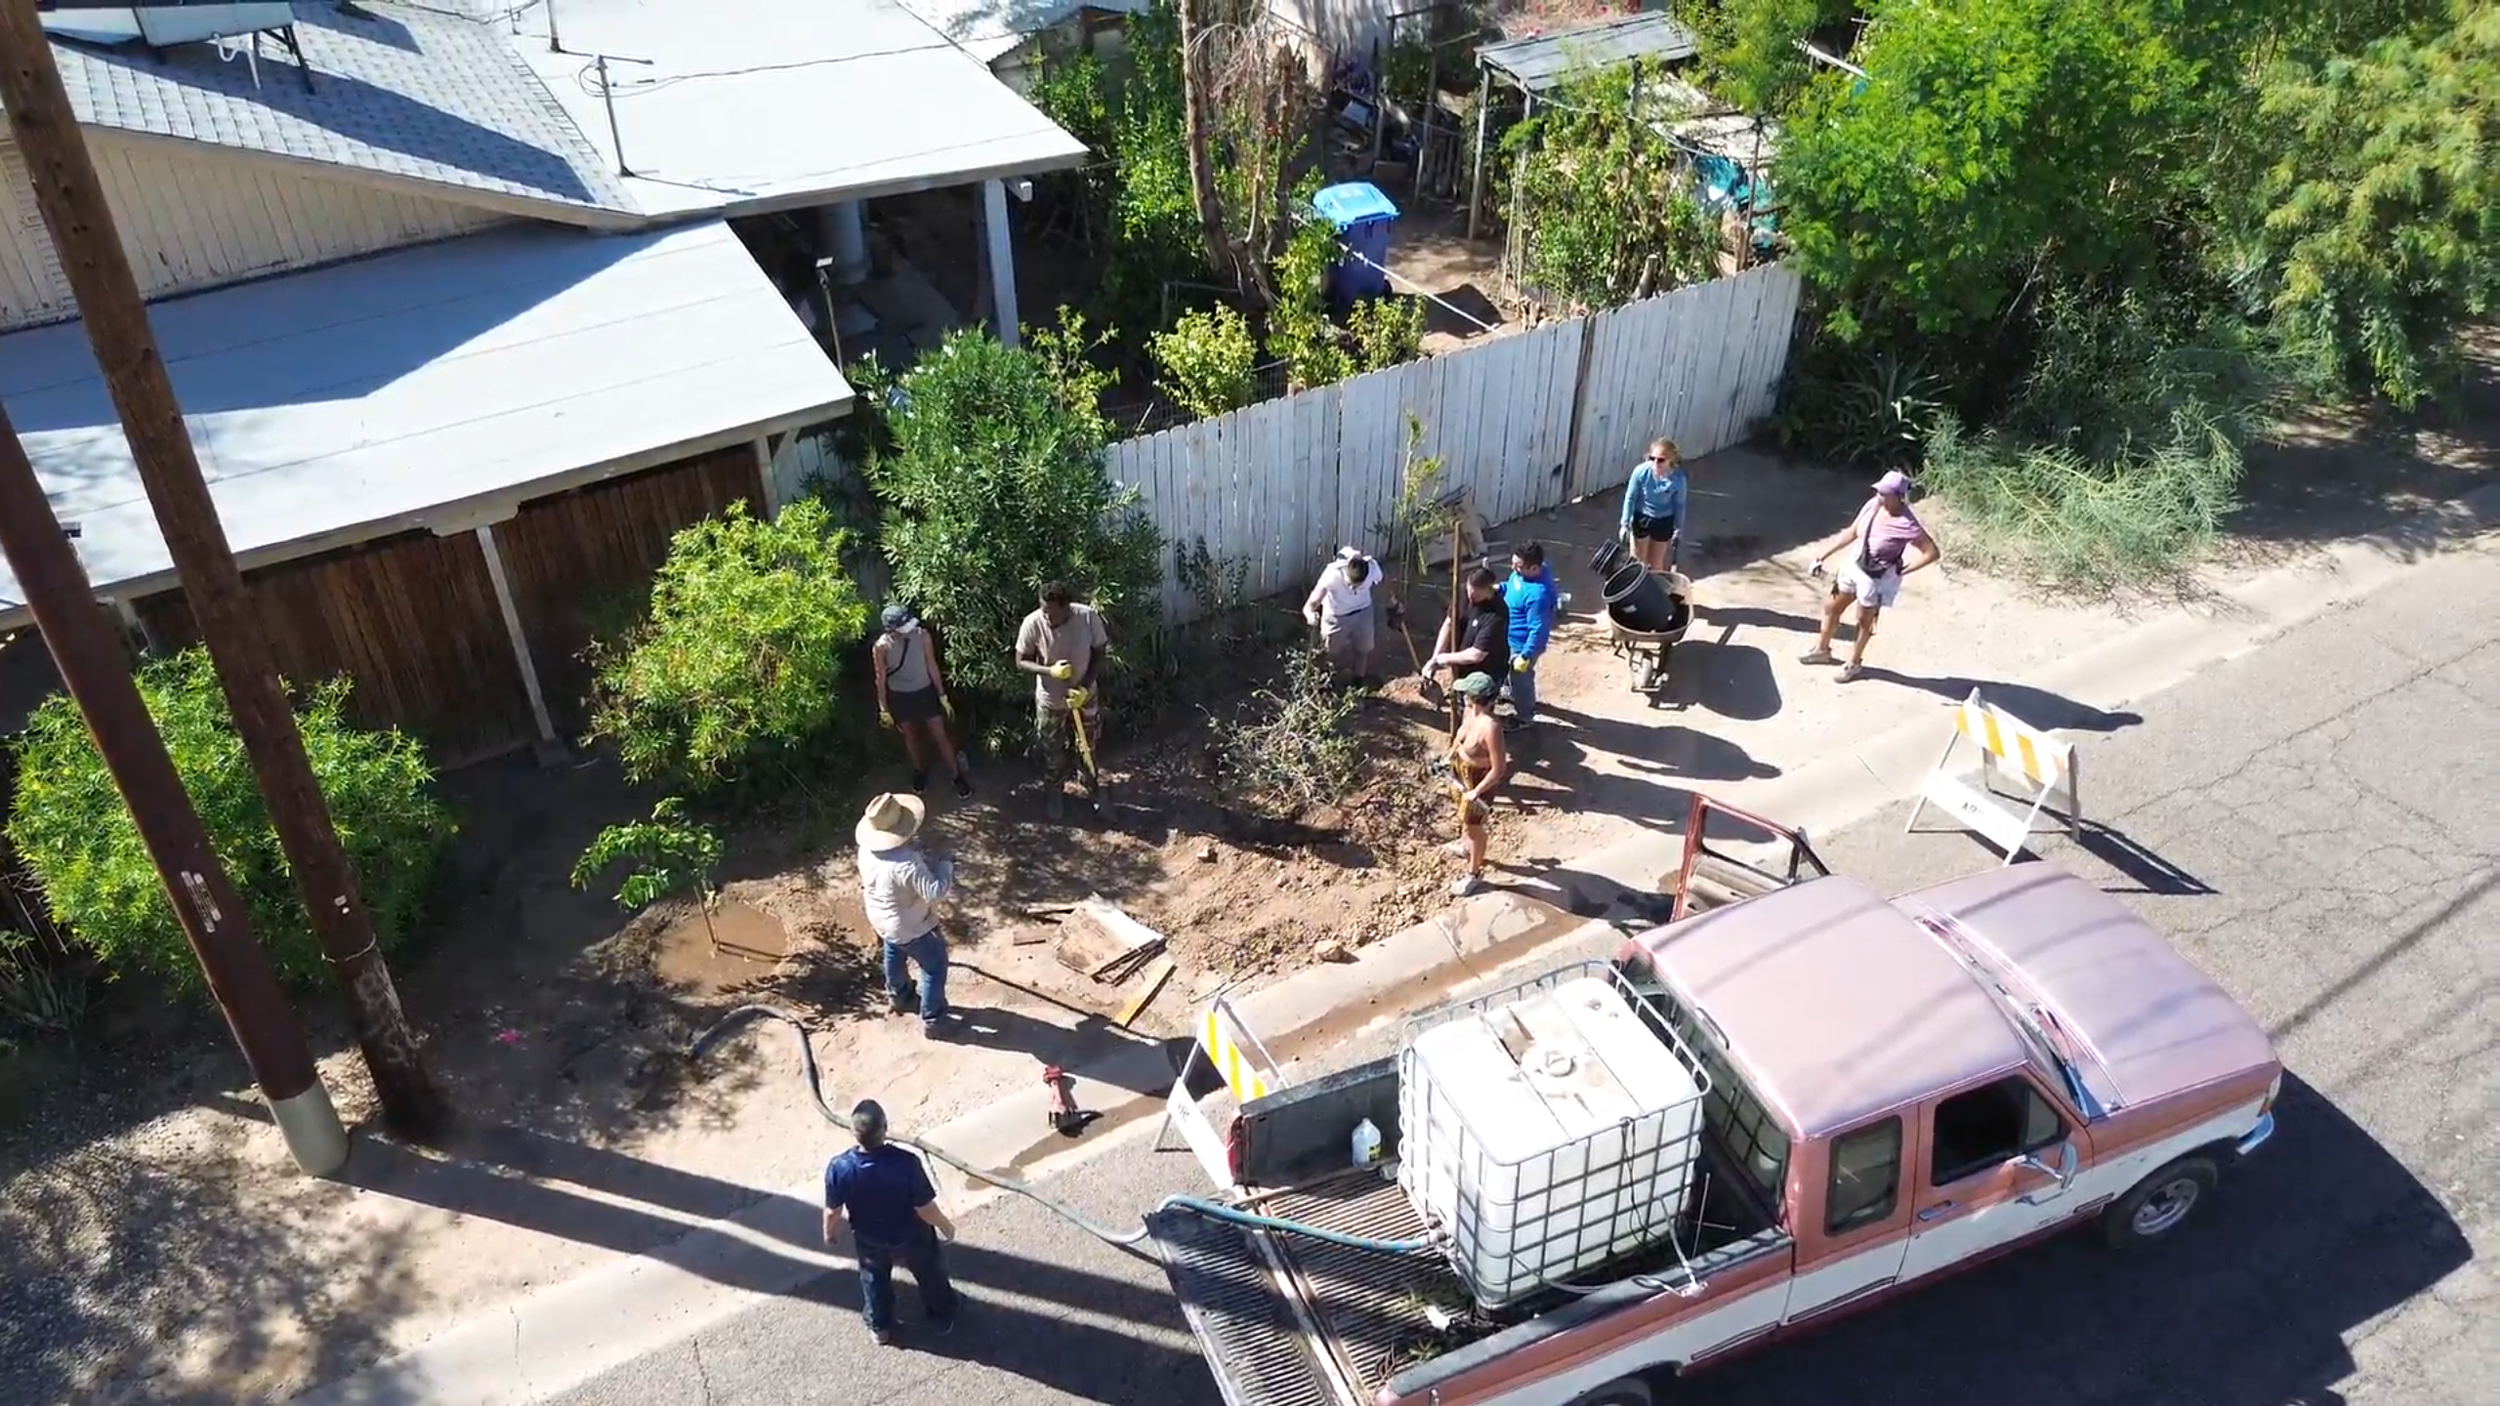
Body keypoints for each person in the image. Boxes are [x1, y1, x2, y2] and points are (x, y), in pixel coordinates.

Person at [822, 1098, 960, 1347]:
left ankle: (880, 1326)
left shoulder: (839, 1168)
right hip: (912, 1234)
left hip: (869, 1237)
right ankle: (941, 1313)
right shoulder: (906, 1163)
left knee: (874, 1280)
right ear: (884, 1128)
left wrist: (830, 1234)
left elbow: (833, 1211)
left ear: (854, 1133)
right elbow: (925, 1208)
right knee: (929, 1272)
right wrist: (945, 1227)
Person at [1800, 469, 1943, 682]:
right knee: (1832, 607)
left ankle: (1853, 664)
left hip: (1875, 580)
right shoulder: (1873, 506)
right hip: (1854, 565)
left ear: (1898, 497)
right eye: (1880, 491)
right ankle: (1822, 650)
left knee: (1863, 622)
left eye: (1885, 493)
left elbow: (1932, 552)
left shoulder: (1907, 524)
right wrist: (1824, 555)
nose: (1880, 495)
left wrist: (1903, 570)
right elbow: (1852, 531)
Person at [855, 792, 954, 1036]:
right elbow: (934, 892)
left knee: (893, 947)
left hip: (879, 917)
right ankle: (934, 1019)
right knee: (934, 965)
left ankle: (899, 995)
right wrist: (945, 865)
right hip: (909, 923)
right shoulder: (906, 863)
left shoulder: (865, 851)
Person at [1014, 581, 1110, 822]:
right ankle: (1055, 791)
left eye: (1051, 611)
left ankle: (1091, 786)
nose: (1046, 615)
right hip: (1050, 701)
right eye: (1043, 608)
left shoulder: (1087, 617)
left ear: (1067, 608)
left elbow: (1100, 652)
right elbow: (1021, 661)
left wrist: (1084, 688)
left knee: (1087, 746)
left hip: (1084, 698)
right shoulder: (1033, 623)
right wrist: (1049, 671)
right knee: (1052, 750)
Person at [872, 605, 972, 800]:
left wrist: (942, 695)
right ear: (890, 629)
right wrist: (883, 708)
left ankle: (956, 775)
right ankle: (919, 770)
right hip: (900, 696)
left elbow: (932, 665)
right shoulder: (881, 647)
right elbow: (880, 678)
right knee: (911, 736)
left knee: (940, 734)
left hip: (925, 691)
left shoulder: (922, 635)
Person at [1443, 673, 1509, 896]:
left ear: (1475, 697)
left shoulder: (1491, 728)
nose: (1462, 697)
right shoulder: (1469, 714)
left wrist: (1476, 792)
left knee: (1474, 827)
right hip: (1460, 773)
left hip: (1479, 782)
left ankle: (1474, 874)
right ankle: (1465, 847)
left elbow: (1499, 769)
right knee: (1463, 817)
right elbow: (1459, 738)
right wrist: (1448, 758)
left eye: (1466, 693)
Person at [1422, 566, 1510, 694]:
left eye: (1475, 595)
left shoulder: (1497, 615)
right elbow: (1449, 623)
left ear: (1488, 589)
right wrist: (1434, 659)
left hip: (1484, 673)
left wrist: (1445, 658)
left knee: (1475, 708)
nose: (1470, 598)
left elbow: (1477, 654)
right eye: (1469, 592)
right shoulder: (1463, 592)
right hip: (1461, 667)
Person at [1303, 547, 1386, 683]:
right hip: (1336, 616)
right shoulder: (1332, 575)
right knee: (1328, 653)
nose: (1353, 589)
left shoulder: (1372, 567)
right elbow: (1310, 605)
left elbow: (1382, 585)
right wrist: (1310, 615)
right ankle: (1322, 685)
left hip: (1363, 611)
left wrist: (1393, 603)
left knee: (1363, 649)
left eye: (1359, 586)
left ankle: (1358, 682)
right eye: (1350, 585)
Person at [1499, 542, 1558, 732]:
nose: (1513, 569)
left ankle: (1525, 717)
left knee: (1521, 680)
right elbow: (1512, 586)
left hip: (1522, 646)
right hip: (1509, 639)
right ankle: (1510, 692)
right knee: (1511, 676)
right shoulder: (1521, 575)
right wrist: (1498, 588)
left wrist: (1525, 655)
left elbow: (1538, 629)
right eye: (1513, 564)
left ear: (1534, 568)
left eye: (1518, 566)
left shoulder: (1538, 596)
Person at [1619, 438, 1688, 572]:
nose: (1656, 463)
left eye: (1661, 460)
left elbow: (1680, 504)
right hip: (1642, 517)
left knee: (1656, 564)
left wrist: (1678, 528)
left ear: (1671, 460)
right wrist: (1625, 523)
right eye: (1652, 458)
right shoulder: (1640, 472)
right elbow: (1631, 497)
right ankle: (1636, 591)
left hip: (1663, 521)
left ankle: (1653, 590)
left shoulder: (1678, 479)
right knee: (1637, 563)